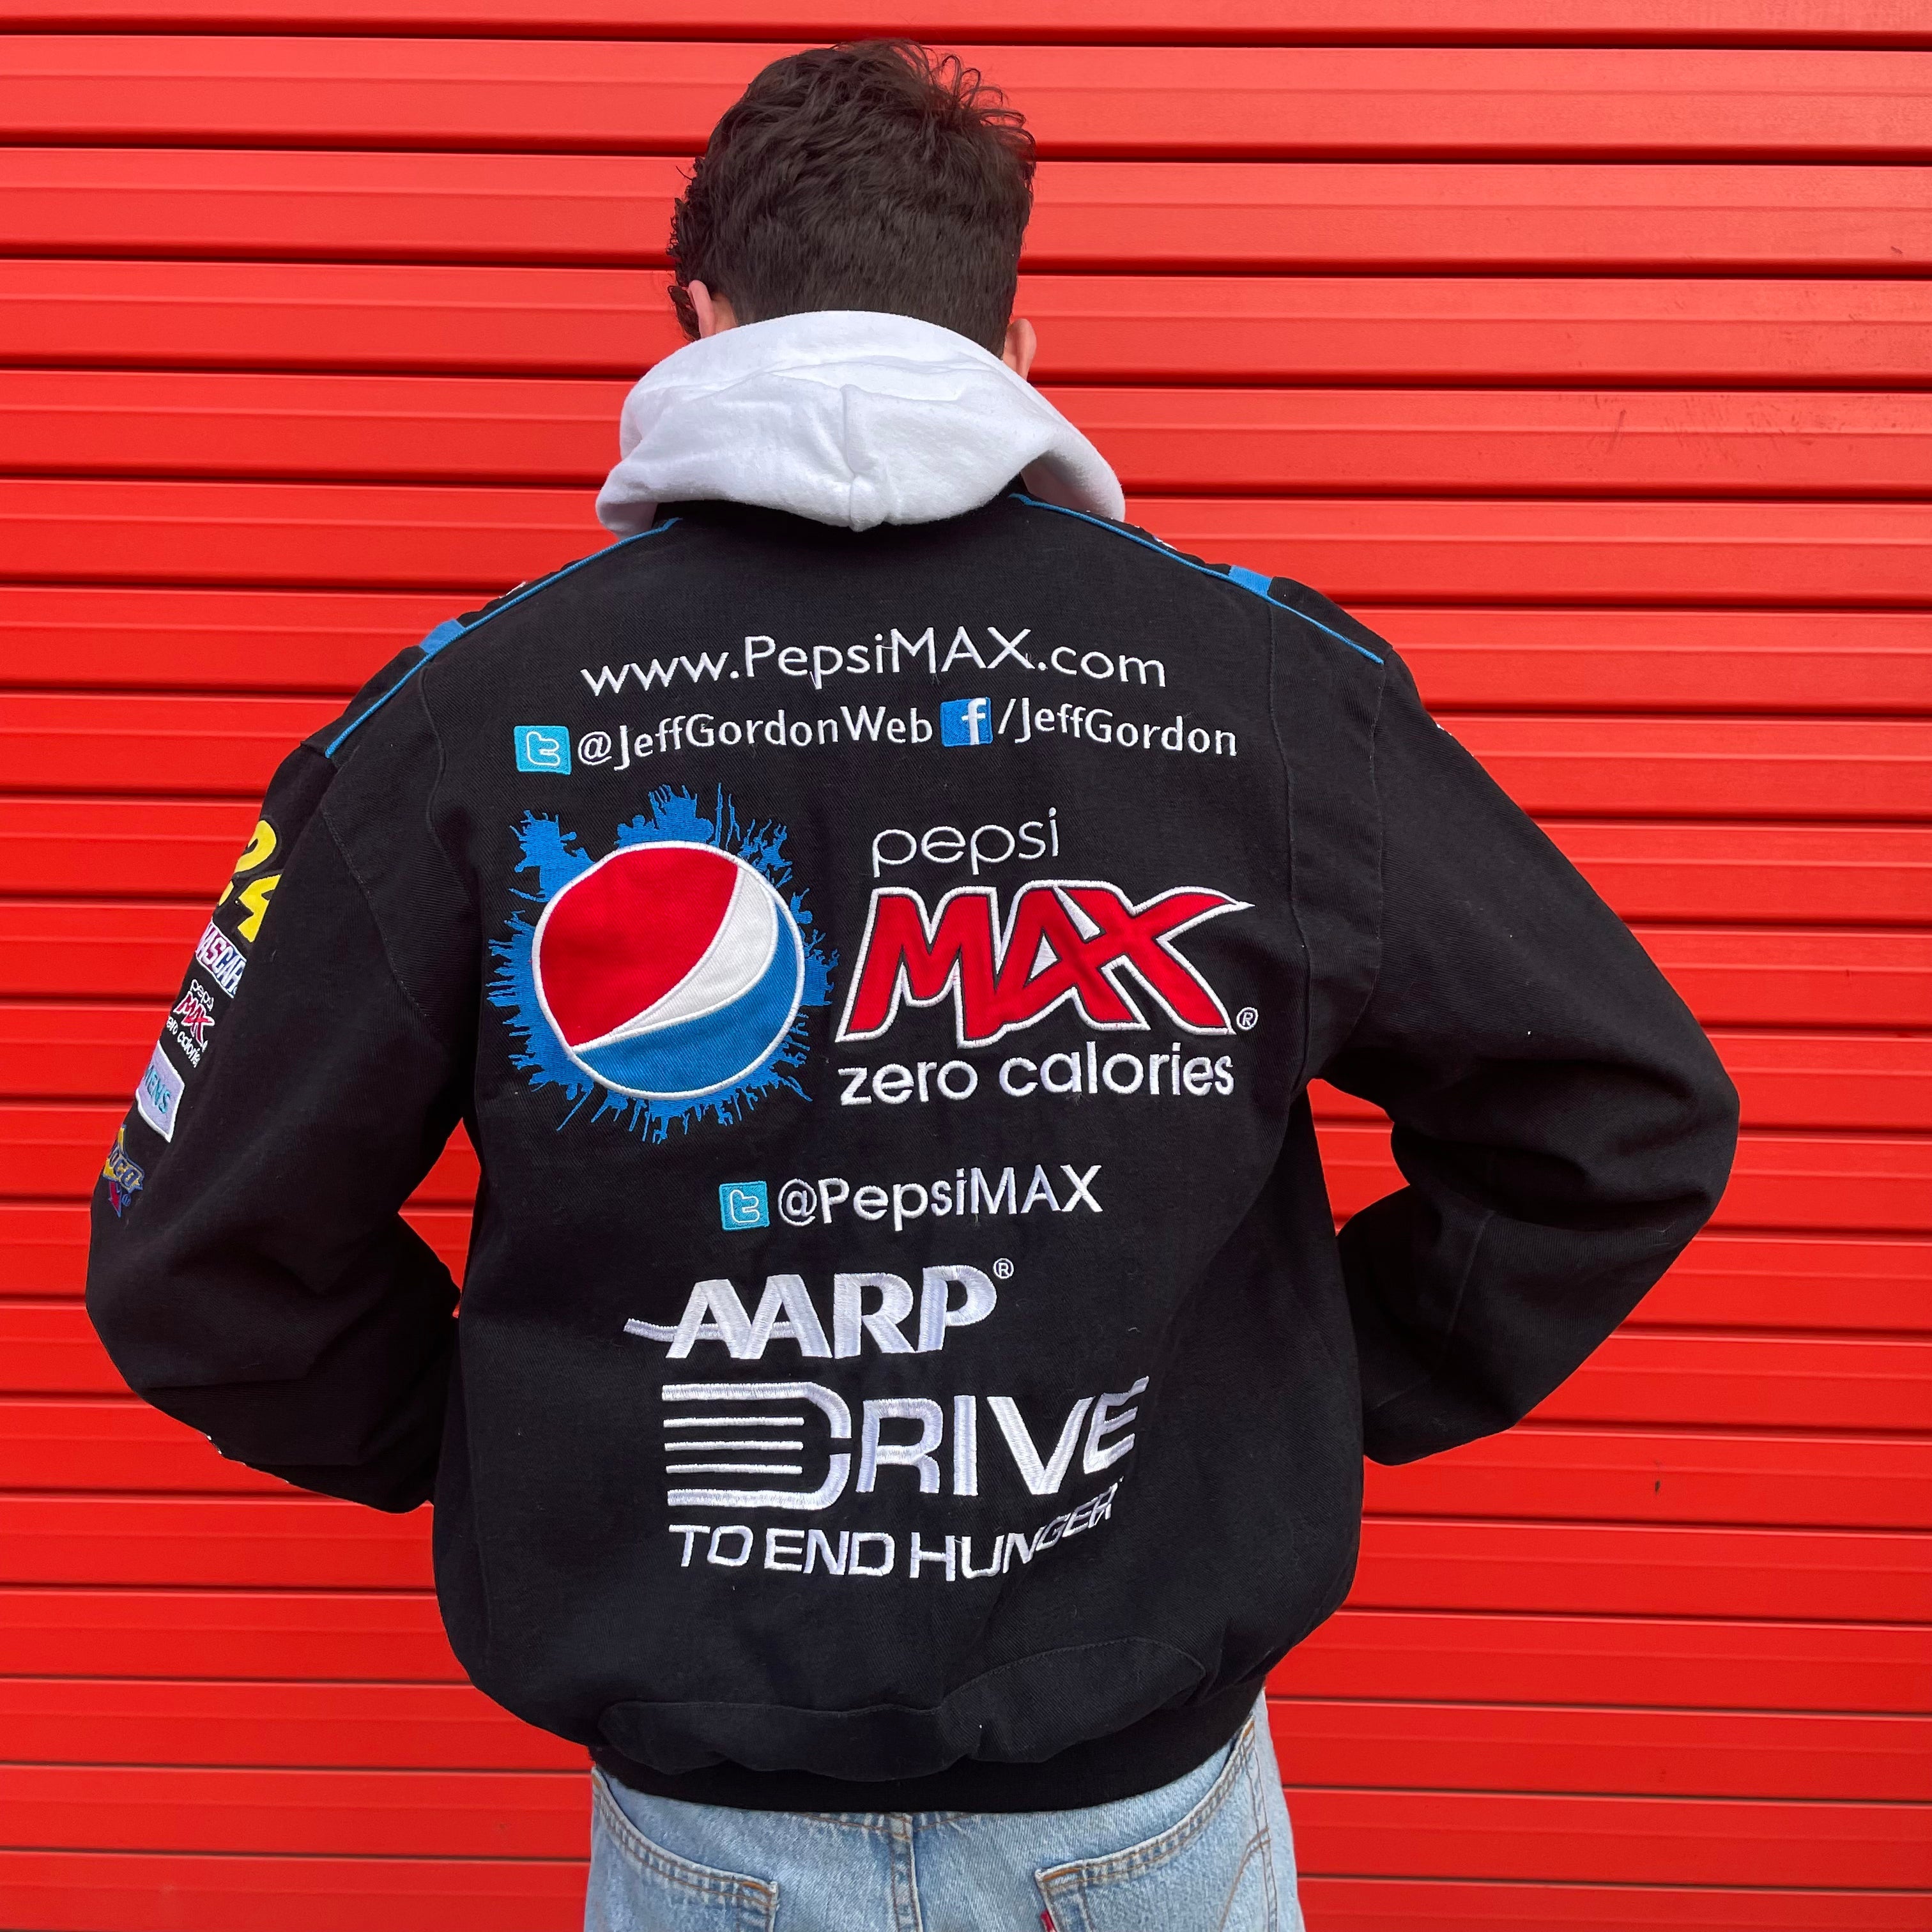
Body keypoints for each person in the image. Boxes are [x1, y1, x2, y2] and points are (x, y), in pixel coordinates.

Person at [86, 39, 1738, 1932]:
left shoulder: (458, 723)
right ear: (1018, 342)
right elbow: (1620, 1121)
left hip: (707, 1844)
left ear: (702, 318)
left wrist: (519, 1452)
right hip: (1153, 1826)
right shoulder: (1272, 696)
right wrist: (1298, 1396)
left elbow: (195, 1257)